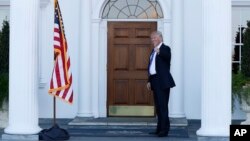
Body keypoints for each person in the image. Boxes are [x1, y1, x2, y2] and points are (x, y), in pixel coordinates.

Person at [147, 31, 176, 137]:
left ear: (160, 38)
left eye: (154, 37)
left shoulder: (165, 48)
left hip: (162, 81)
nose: (152, 39)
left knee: (163, 106)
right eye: (151, 38)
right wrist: (149, 80)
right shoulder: (153, 51)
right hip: (154, 80)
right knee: (158, 107)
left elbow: (167, 56)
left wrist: (159, 51)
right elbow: (151, 67)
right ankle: (159, 129)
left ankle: (164, 130)